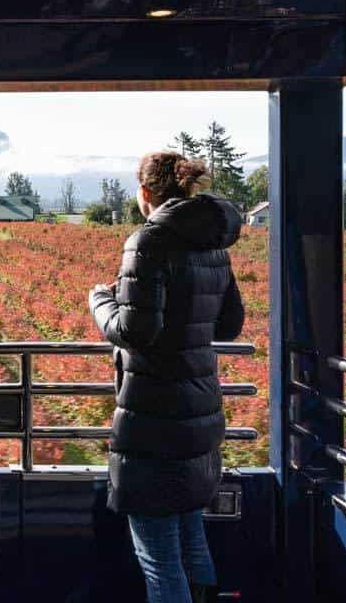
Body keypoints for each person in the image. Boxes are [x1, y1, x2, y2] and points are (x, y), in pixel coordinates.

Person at [88, 152, 244, 603]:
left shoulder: (148, 241)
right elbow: (228, 324)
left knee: (158, 559)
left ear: (145, 193)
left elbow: (134, 331)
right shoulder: (213, 242)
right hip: (200, 416)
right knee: (192, 538)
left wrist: (100, 301)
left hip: (153, 419)